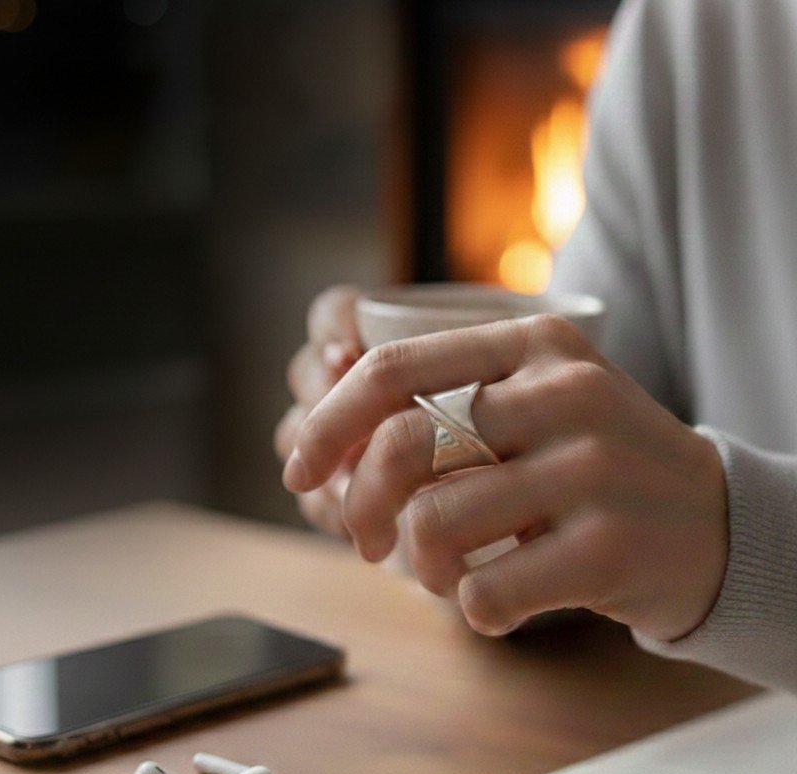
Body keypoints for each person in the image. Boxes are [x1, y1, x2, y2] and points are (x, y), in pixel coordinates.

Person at [275, 0, 797, 693]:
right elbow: (580, 479)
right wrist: (432, 491)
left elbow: (682, 522)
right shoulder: (688, 28)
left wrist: (739, 542)